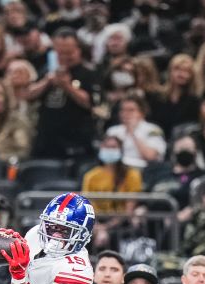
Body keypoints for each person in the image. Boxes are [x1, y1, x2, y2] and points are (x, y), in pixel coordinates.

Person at [29, 29, 100, 162]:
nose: (65, 57)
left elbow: (90, 104)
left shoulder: (89, 73)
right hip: (46, 139)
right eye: (60, 52)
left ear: (79, 49)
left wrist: (67, 86)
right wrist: (47, 81)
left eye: (69, 52)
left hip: (76, 141)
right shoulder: (47, 70)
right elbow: (29, 95)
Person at [81, 135, 143, 216]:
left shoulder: (132, 174)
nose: (109, 150)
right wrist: (97, 227)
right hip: (96, 220)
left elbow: (129, 209)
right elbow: (87, 205)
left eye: (113, 147)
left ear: (121, 150)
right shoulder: (90, 176)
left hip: (123, 220)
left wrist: (108, 226)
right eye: (107, 147)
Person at [105, 94, 166, 169]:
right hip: (117, 170)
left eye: (131, 110)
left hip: (144, 170)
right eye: (123, 110)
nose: (126, 113)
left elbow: (150, 157)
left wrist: (133, 133)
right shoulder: (113, 131)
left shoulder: (153, 130)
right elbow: (106, 157)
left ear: (142, 113)